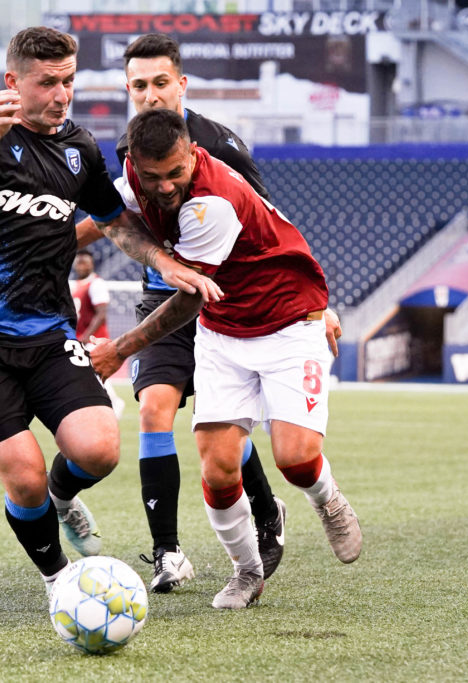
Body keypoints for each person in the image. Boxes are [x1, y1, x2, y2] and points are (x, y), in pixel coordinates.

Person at [0, 27, 221, 598]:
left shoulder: (79, 148)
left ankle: (64, 498)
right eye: (47, 83)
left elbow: (113, 222)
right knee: (25, 478)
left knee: (98, 448)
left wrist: (163, 260)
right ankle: (60, 578)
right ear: (13, 83)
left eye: (69, 82)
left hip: (48, 333)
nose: (61, 95)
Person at [75, 33, 342, 594]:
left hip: (231, 299)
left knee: (234, 438)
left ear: (181, 83)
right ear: (129, 89)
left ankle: (269, 512)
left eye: (160, 83)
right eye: (139, 86)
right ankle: (168, 551)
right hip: (162, 295)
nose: (150, 94)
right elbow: (113, 211)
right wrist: (45, 244)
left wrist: (324, 303)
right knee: (155, 412)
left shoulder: (220, 147)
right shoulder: (132, 148)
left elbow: (272, 225)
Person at [70, 249, 125, 417]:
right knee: (85, 374)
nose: (81, 265)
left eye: (85, 262)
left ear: (92, 264)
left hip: (93, 339)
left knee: (94, 372)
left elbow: (101, 313)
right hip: (78, 337)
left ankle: (114, 403)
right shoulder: (74, 285)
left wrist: (86, 336)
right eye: (79, 262)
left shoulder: (96, 283)